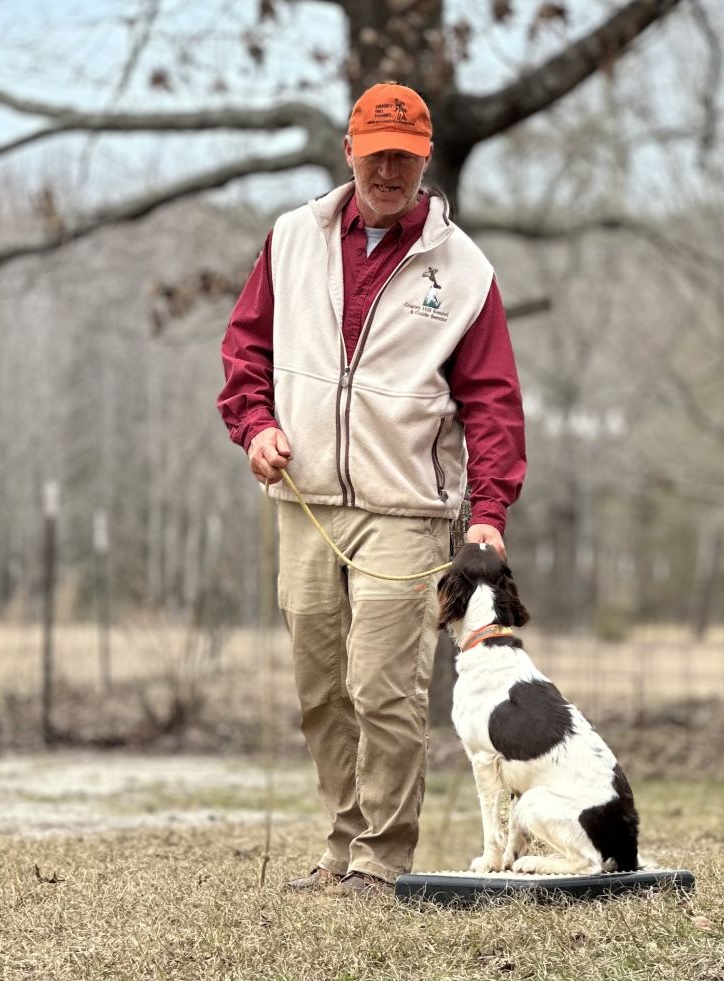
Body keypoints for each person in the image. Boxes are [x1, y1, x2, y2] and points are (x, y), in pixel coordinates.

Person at [217, 81, 525, 897]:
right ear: (349, 151)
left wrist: (488, 512)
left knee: (383, 690)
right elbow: (244, 350)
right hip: (307, 500)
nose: (389, 170)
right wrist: (256, 428)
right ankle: (339, 849)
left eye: (406, 157)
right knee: (321, 692)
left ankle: (382, 862)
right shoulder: (292, 238)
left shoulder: (464, 272)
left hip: (408, 509)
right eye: (376, 153)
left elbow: (493, 402)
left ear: (425, 162)